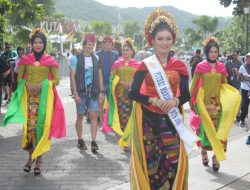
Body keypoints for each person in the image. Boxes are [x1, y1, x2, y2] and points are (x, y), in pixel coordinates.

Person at [128, 9, 198, 189]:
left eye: (168, 38)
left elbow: (186, 94)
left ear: (173, 40)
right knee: (151, 163)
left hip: (170, 120)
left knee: (172, 160)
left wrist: (175, 101)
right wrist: (153, 100)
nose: (164, 43)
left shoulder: (179, 66)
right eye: (160, 39)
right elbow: (132, 93)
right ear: (152, 40)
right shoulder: (146, 65)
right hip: (148, 120)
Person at [3, 28, 66, 175]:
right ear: (32, 44)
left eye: (40, 42)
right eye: (35, 42)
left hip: (44, 101)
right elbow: (19, 78)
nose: (38, 45)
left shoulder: (50, 60)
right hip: (29, 99)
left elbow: (56, 80)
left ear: (44, 44)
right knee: (29, 130)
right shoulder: (26, 59)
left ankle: (39, 160)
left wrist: (43, 84)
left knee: (41, 129)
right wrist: (27, 83)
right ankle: (31, 157)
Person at [190, 36, 241, 172]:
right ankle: (203, 152)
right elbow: (193, 85)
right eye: (211, 51)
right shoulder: (201, 66)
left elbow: (225, 85)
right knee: (205, 131)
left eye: (215, 51)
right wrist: (191, 100)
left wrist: (232, 98)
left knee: (220, 131)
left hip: (218, 105)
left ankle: (216, 158)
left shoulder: (221, 67)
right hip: (204, 104)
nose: (213, 54)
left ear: (218, 53)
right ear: (207, 52)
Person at [70, 33, 104, 151]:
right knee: (80, 116)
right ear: (84, 45)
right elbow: (72, 77)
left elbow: (99, 75)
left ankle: (93, 142)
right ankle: (80, 140)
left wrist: (101, 91)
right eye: (89, 44)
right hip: (80, 91)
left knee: (94, 115)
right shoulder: (75, 58)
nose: (91, 46)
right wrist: (75, 94)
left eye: (93, 44)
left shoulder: (96, 58)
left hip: (93, 91)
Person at [108, 38, 139, 150]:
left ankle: (130, 140)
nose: (125, 52)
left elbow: (139, 79)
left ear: (132, 51)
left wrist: (132, 83)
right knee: (124, 118)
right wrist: (122, 82)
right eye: (123, 50)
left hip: (134, 95)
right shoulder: (117, 63)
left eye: (127, 50)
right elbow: (111, 78)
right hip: (121, 95)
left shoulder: (137, 64)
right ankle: (126, 141)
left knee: (134, 117)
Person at [96, 36, 119, 127]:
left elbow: (118, 68)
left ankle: (111, 122)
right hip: (100, 84)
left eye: (110, 45)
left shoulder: (115, 54)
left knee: (112, 104)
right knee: (100, 105)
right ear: (103, 44)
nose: (108, 46)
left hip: (111, 83)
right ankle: (102, 123)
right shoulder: (96, 55)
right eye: (107, 45)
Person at [238, 52, 250, 127]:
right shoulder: (242, 67)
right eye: (248, 57)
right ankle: (242, 120)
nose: (249, 59)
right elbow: (239, 78)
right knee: (245, 105)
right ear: (246, 58)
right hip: (245, 89)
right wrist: (242, 77)